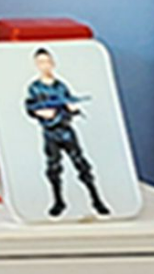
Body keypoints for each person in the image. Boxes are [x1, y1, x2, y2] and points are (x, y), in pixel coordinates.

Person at [23, 48, 107, 216]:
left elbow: (68, 103)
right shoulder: (35, 88)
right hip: (50, 132)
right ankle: (58, 201)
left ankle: (96, 200)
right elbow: (30, 107)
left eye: (47, 61)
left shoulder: (61, 86)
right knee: (53, 167)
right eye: (41, 62)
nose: (45, 65)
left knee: (81, 164)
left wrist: (72, 109)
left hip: (66, 130)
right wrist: (42, 112)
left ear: (53, 63)